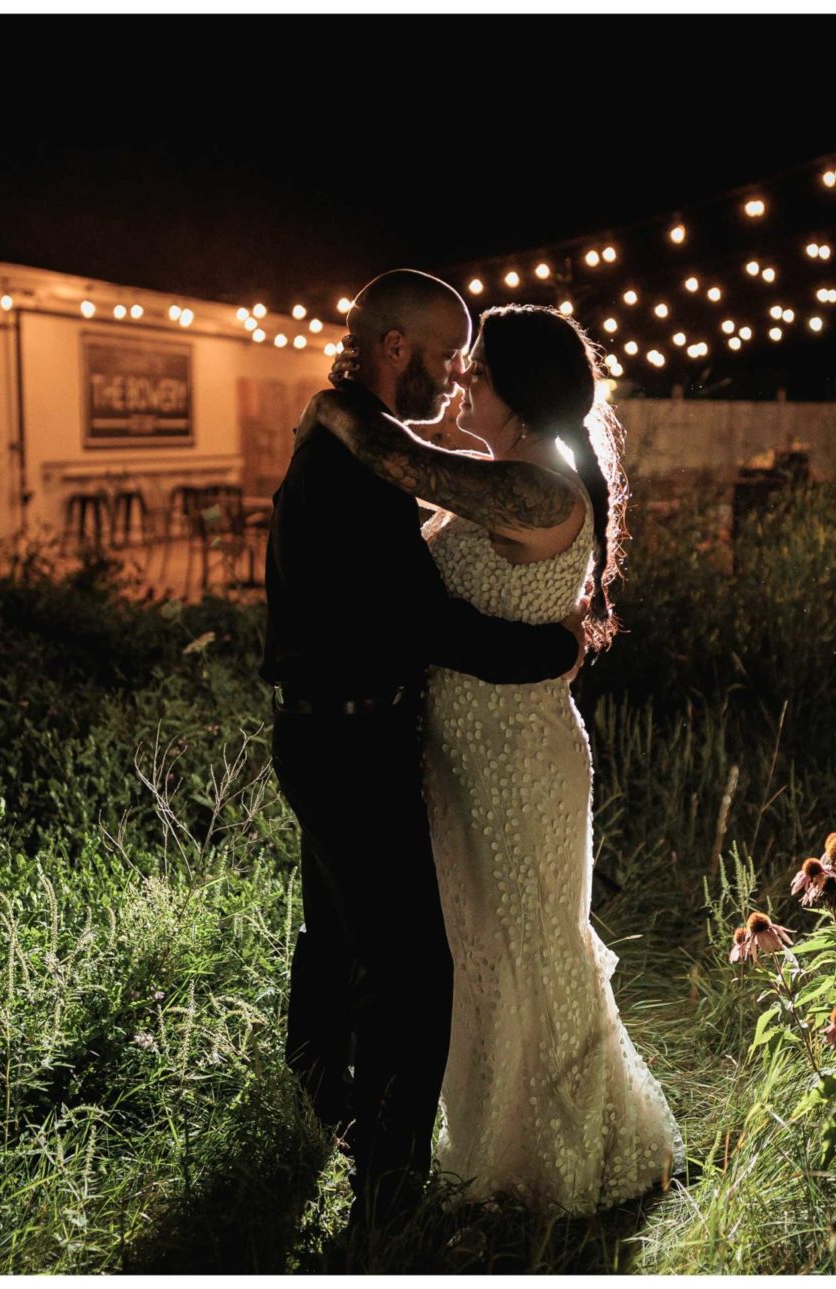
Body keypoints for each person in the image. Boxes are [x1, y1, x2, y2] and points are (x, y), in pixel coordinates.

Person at [298, 302, 685, 1215]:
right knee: (475, 956)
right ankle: (485, 1152)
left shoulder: (543, 490)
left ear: (517, 389)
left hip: (520, 760)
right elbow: (409, 488)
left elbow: (403, 464)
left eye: (476, 368)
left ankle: (575, 1159)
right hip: (455, 758)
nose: (461, 378)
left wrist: (339, 406)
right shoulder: (497, 472)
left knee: (534, 948)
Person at [261, 270, 587, 1245]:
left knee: (337, 937)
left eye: (471, 367)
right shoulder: (353, 456)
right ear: (394, 346)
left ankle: (322, 1107)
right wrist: (549, 650)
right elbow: (421, 615)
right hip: (347, 738)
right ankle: (388, 1186)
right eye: (446, 357)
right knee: (410, 972)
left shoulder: (356, 436)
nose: (453, 381)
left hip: (336, 730)